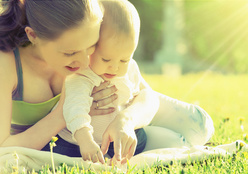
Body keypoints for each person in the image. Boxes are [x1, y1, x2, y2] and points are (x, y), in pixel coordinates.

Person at [59, 0, 215, 164]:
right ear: (90, 46)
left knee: (201, 125)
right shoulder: (83, 76)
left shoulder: (130, 67)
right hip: (95, 145)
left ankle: (192, 143)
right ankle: (188, 147)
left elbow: (148, 96)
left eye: (124, 59)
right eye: (106, 59)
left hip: (129, 131)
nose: (114, 67)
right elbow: (74, 109)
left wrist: (128, 120)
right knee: (177, 145)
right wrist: (86, 142)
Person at [0, 0, 118, 152]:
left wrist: (125, 121)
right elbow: (2, 147)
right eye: (70, 53)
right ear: (33, 35)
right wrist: (65, 114)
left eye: (91, 46)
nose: (84, 63)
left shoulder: (88, 32)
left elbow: (147, 96)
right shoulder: (6, 63)